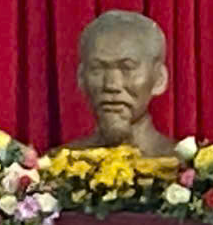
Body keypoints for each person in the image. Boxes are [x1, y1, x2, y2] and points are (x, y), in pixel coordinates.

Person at [67, 10, 175, 155]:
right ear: (81, 78)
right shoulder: (54, 164)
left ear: (159, 79)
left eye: (127, 68)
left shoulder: (189, 164)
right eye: (97, 68)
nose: (111, 85)